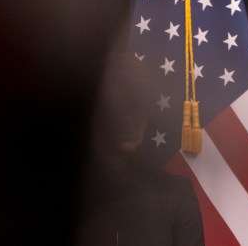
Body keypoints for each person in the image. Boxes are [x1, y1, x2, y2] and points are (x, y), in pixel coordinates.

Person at [76, 54, 205, 246]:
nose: (127, 119)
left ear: (149, 112)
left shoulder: (178, 195)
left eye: (137, 106)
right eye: (117, 107)